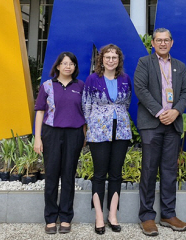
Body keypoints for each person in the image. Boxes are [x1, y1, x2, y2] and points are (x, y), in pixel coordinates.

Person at [134, 28, 186, 236]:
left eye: (166, 40)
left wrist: (175, 111)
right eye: (159, 40)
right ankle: (147, 216)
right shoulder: (144, 63)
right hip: (152, 123)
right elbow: (140, 88)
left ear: (172, 43)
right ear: (153, 43)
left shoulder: (179, 66)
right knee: (149, 170)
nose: (163, 43)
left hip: (173, 124)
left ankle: (168, 214)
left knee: (169, 171)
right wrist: (160, 112)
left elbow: (185, 92)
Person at [34, 52, 86, 234]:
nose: (68, 66)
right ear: (57, 66)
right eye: (64, 63)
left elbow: (85, 112)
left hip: (74, 134)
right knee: (52, 176)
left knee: (68, 175)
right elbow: (40, 111)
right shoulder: (47, 86)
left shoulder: (81, 86)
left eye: (71, 63)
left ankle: (65, 217)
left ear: (75, 67)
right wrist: (37, 137)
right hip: (51, 134)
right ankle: (50, 218)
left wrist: (85, 135)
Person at [83, 44, 133, 235]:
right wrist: (90, 127)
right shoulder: (92, 79)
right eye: (107, 57)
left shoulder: (125, 79)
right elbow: (86, 105)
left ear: (119, 60)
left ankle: (112, 215)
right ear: (101, 59)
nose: (111, 60)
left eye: (114, 57)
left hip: (120, 130)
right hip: (98, 132)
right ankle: (99, 217)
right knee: (99, 173)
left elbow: (126, 102)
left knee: (116, 173)